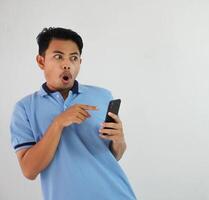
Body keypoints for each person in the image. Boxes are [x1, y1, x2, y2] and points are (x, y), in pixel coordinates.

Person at [9, 27, 136, 200]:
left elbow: (115, 155)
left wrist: (119, 140)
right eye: (58, 56)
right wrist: (58, 123)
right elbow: (29, 171)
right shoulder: (24, 108)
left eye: (74, 58)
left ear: (80, 62)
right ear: (41, 61)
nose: (67, 64)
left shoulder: (103, 95)